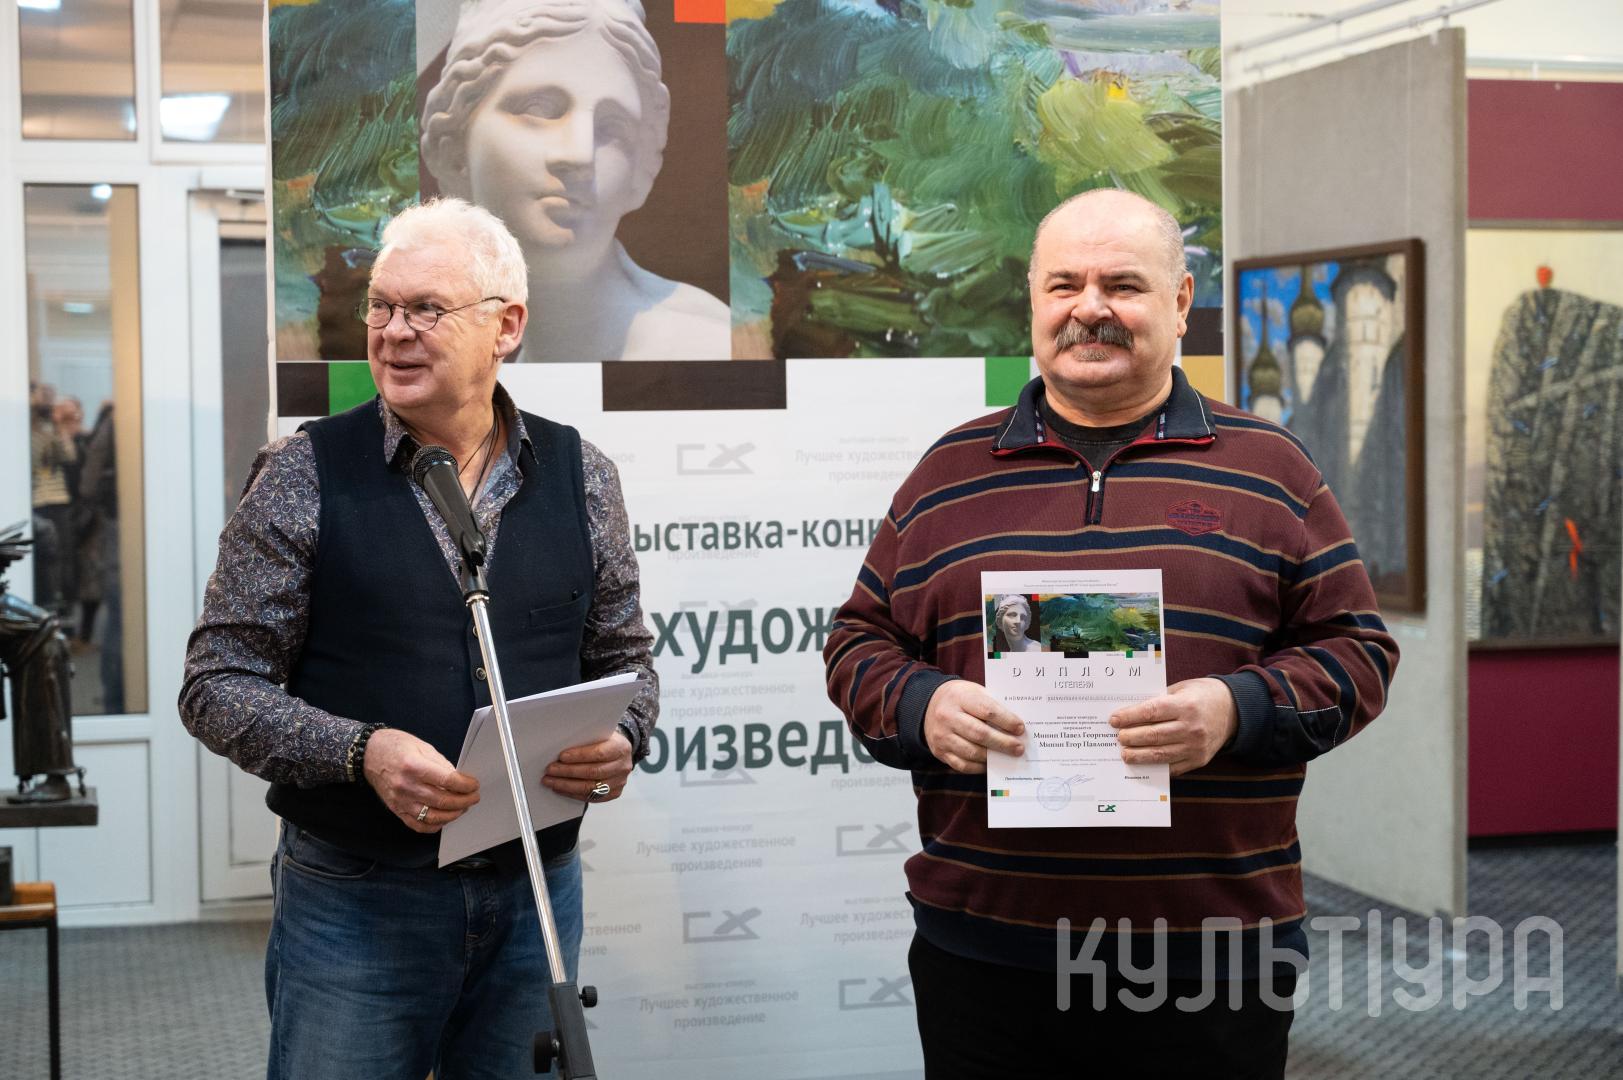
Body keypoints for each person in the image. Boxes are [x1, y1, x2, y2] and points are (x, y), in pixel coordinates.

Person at [824, 189, 1399, 1078]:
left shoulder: (1270, 468)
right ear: (1033, 300)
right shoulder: (947, 471)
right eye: (1064, 284)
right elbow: (858, 640)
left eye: (1122, 285)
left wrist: (1234, 710)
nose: (1088, 308)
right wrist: (919, 705)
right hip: (985, 949)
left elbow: (1357, 653)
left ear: (1179, 301)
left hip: (1207, 953)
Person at [180, 197, 659, 1079]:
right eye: (381, 306)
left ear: (505, 326)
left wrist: (622, 739)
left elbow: (626, 660)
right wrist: (359, 751)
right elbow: (216, 684)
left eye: (426, 309)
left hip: (535, 890)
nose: (393, 332)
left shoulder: (582, 474)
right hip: (357, 897)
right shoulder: (302, 473)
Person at [420, 0, 729, 362]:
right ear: (455, 149)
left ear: (640, 173)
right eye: (539, 109)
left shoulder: (699, 348)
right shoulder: (507, 359)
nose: (580, 155)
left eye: (612, 127)